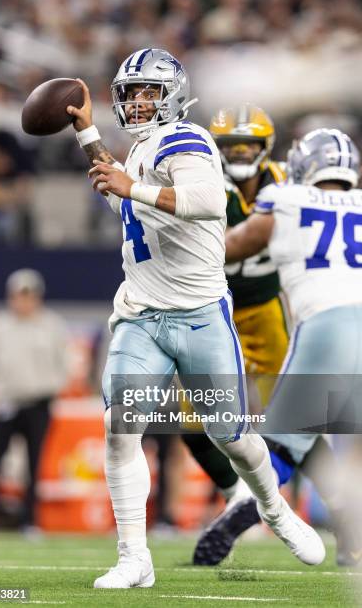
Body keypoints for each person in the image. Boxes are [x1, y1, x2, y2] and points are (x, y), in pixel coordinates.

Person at [66, 48, 325, 589]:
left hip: (200, 317)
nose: (137, 103)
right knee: (120, 429)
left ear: (173, 96)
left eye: (148, 92)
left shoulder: (186, 139)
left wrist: (128, 185)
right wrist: (88, 136)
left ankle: (275, 510)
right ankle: (134, 557)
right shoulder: (140, 150)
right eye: (131, 93)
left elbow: (207, 200)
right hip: (140, 315)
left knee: (232, 438)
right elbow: (126, 201)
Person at [216, 127, 362, 566]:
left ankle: (238, 515)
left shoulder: (288, 199)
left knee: (281, 440)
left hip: (327, 324)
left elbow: (236, 246)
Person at [180, 106, 290, 563]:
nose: (239, 154)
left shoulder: (289, 182)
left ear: (265, 149)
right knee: (191, 424)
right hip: (214, 309)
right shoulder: (202, 183)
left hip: (266, 308)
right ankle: (236, 496)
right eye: (231, 147)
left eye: (247, 147)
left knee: (304, 414)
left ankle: (344, 514)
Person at [0, 269, 69, 540]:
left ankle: (30, 522)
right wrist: (0, 393)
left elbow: (63, 364)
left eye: (29, 295)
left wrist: (47, 388)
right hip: (7, 403)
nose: (24, 301)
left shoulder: (52, 325)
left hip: (39, 403)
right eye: (20, 295)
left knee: (34, 464)